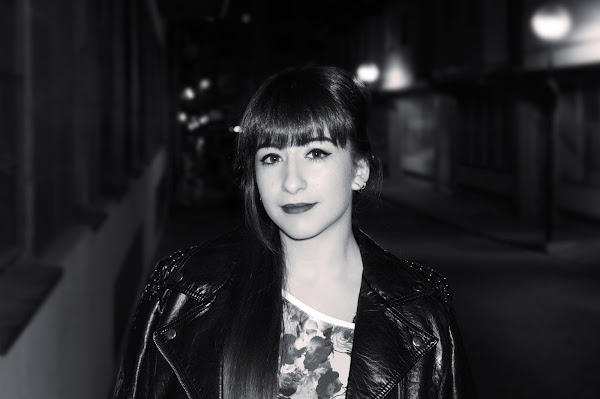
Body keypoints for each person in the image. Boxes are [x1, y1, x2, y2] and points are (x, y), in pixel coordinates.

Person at [113, 65, 475, 399]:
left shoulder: (421, 313)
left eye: (316, 153)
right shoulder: (181, 295)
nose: (291, 182)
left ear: (359, 170)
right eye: (272, 158)